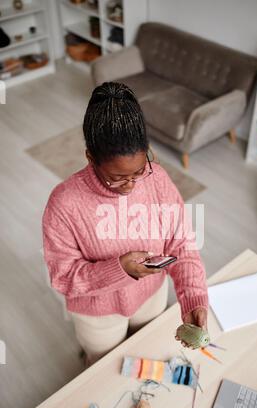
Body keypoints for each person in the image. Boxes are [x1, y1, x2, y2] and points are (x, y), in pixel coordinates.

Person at [42, 82, 208, 365]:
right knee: (104, 368)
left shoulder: (157, 179)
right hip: (98, 315)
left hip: (152, 297)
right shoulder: (64, 203)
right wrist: (119, 269)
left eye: (139, 170)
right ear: (90, 158)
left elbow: (181, 244)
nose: (131, 185)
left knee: (147, 357)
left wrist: (193, 298)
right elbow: (64, 278)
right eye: (117, 177)